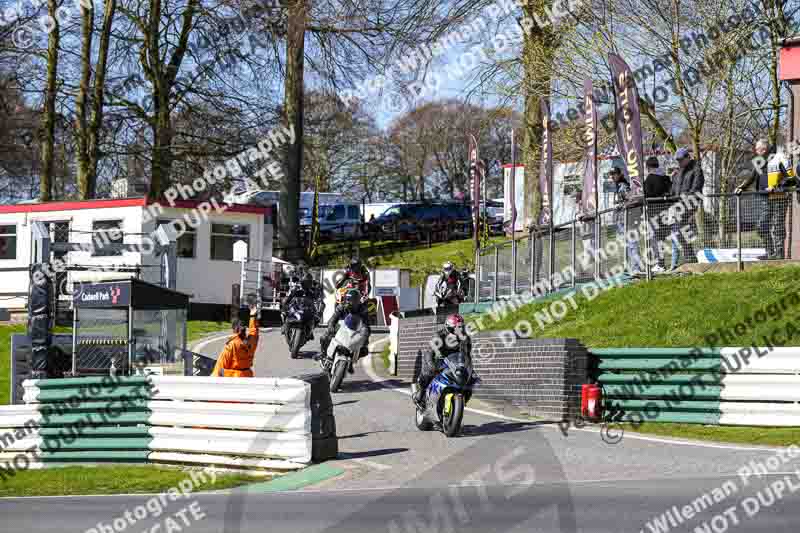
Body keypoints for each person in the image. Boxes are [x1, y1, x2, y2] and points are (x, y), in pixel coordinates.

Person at [735, 138, 795, 259]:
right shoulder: (760, 161)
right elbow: (752, 177)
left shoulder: (779, 158)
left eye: (758, 149)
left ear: (764, 149)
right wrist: (741, 187)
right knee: (762, 226)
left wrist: (776, 186)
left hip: (778, 197)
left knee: (777, 226)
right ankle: (770, 252)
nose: (756, 151)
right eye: (756, 149)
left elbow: (791, 179)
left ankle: (779, 255)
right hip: (764, 197)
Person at [413, 314, 473, 408]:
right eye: (457, 327)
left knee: (471, 379)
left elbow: (467, 355)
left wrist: (468, 367)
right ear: (449, 327)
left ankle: (461, 401)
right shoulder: (439, 336)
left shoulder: (465, 338)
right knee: (429, 373)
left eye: (461, 327)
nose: (459, 330)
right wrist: (431, 365)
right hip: (439, 360)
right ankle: (420, 394)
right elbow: (430, 352)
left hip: (455, 361)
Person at [668, 147, 704, 269]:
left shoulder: (696, 169)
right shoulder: (678, 172)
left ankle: (691, 257)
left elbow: (696, 188)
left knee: (683, 231)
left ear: (688, 158)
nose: (679, 162)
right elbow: (673, 189)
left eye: (681, 160)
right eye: (677, 160)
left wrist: (685, 198)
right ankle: (690, 257)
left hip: (689, 205)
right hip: (677, 205)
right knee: (678, 232)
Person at [321, 288, 371, 373]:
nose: (350, 302)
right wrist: (331, 326)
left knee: (364, 350)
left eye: (353, 300)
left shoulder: (362, 310)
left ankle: (351, 362)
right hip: (341, 329)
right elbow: (333, 318)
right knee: (325, 337)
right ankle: (324, 355)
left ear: (358, 301)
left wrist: (366, 335)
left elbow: (367, 324)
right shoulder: (341, 306)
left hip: (354, 331)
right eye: (348, 300)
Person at [609, 167, 644, 275]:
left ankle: (637, 268)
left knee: (632, 244)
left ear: (620, 174)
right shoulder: (618, 186)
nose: (612, 176)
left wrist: (622, 205)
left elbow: (632, 200)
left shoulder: (624, 186)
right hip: (621, 219)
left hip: (628, 219)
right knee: (628, 245)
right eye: (611, 174)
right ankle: (633, 267)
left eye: (614, 174)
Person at [212, 303, 260, 377]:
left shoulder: (231, 345)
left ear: (234, 329)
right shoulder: (251, 342)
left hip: (235, 379)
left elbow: (219, 367)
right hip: (248, 377)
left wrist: (212, 380)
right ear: (245, 328)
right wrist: (252, 316)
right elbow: (254, 331)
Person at [643, 156, 672, 273]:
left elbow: (646, 194)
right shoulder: (666, 177)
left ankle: (660, 263)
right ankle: (663, 263)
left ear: (648, 167)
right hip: (666, 211)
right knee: (663, 238)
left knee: (655, 238)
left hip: (654, 212)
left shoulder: (650, 179)